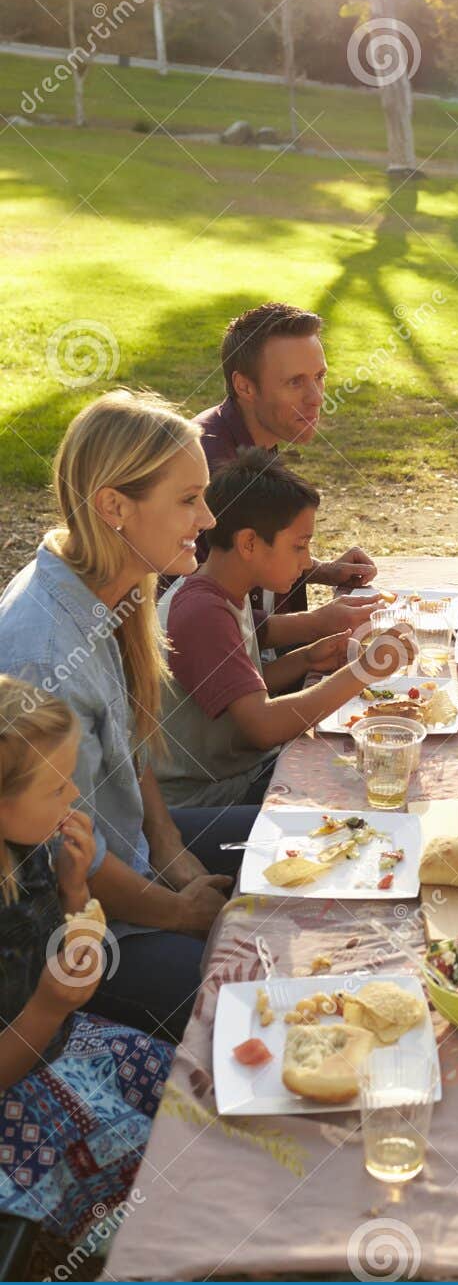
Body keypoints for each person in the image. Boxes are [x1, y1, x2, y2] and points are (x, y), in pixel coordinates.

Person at [0, 390, 253, 1043]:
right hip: (82, 926)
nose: (208, 515)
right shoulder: (42, 654)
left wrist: (171, 852)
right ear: (114, 506)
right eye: (188, 499)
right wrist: (179, 912)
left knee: (296, 838)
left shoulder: (116, 575)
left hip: (138, 859)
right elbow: (65, 845)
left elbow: (132, 743)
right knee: (253, 991)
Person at [0, 677, 172, 1243]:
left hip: (66, 1043)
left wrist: (74, 895)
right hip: (15, 1104)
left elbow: (72, 967)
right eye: (55, 788)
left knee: (192, 1085)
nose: (73, 795)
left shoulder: (29, 847)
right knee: (164, 1183)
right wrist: (49, 1008)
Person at [156, 452, 416, 812]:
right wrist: (364, 671)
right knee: (361, 806)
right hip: (202, 803)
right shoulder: (202, 612)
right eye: (299, 545)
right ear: (248, 543)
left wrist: (307, 657)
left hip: (238, 773)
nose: (308, 561)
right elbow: (262, 724)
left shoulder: (224, 587)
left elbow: (240, 687)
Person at [188, 302, 379, 648]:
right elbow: (200, 615)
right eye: (295, 383)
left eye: (320, 377)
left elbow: (249, 558)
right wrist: (317, 623)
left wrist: (321, 570)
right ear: (245, 387)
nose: (317, 398)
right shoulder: (208, 467)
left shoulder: (259, 436)